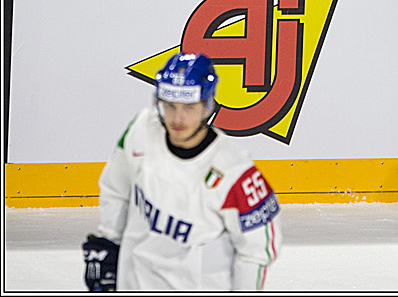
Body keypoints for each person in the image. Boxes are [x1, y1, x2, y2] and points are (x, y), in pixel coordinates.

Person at [82, 53, 281, 291]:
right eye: (170, 105)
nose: (178, 118)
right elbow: (116, 190)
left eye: (189, 107)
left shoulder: (235, 171)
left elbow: (257, 251)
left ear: (207, 105)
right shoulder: (141, 130)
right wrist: (107, 240)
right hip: (134, 283)